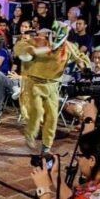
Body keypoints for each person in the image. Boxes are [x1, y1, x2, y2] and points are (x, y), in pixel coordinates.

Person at [15, 22, 89, 153]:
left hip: (53, 86)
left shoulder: (69, 48)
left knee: (53, 116)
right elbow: (20, 46)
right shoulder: (39, 41)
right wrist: (31, 50)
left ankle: (47, 146)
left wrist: (82, 64)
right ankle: (30, 134)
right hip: (34, 83)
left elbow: (83, 60)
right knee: (37, 111)